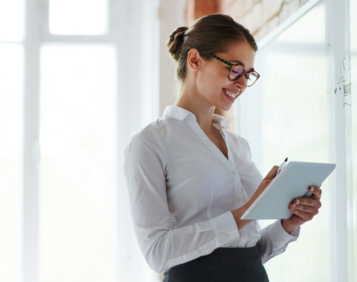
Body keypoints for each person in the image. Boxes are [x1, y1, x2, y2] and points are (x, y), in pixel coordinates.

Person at [123, 14, 323, 282]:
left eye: (248, 74)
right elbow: (157, 252)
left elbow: (251, 250)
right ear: (195, 60)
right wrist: (247, 211)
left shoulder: (239, 146)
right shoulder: (149, 143)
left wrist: (288, 224)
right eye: (235, 69)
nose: (241, 83)